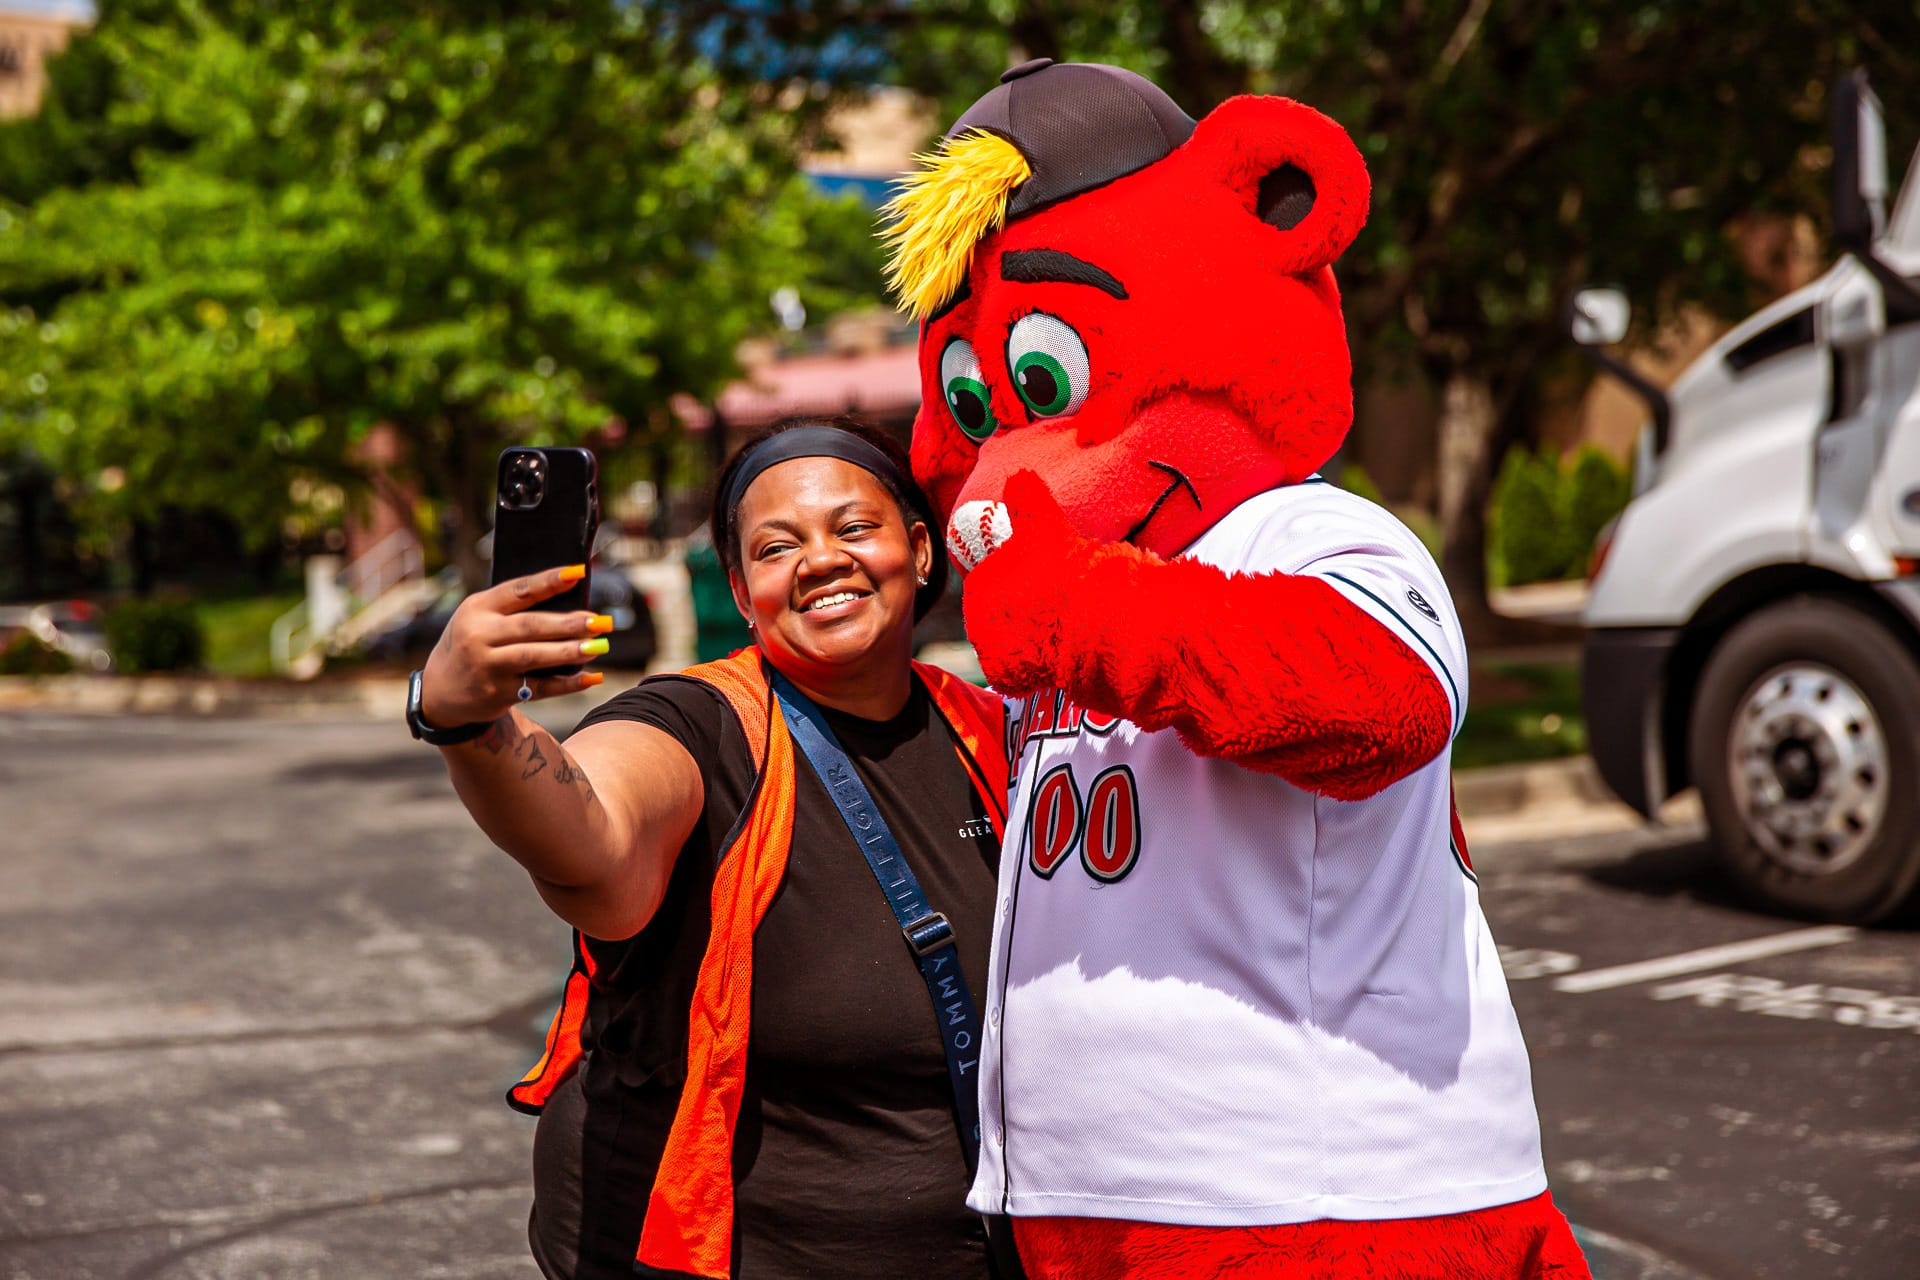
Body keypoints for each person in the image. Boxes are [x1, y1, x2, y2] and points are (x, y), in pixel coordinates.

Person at [409, 418, 1011, 1279]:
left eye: (853, 528)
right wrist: (467, 721)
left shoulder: (995, 730)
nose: (819, 560)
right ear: (740, 589)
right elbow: (593, 838)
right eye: (775, 548)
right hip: (708, 1252)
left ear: (918, 550)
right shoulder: (699, 723)